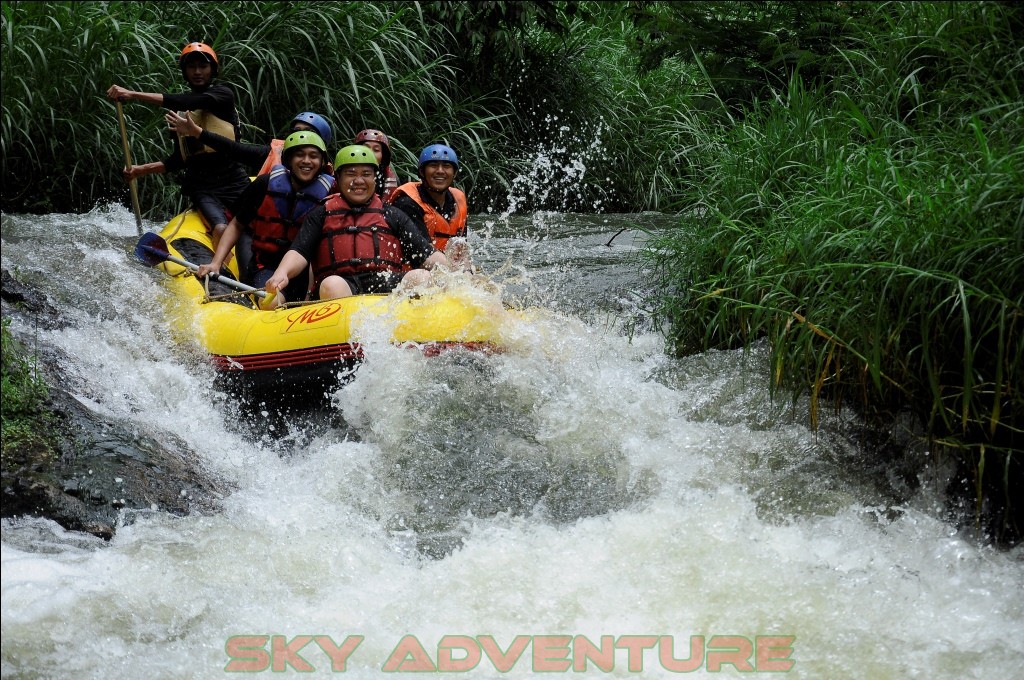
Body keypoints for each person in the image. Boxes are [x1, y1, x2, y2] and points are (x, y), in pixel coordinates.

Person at [106, 41, 249, 246]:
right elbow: (179, 160)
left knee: (256, 224)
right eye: (192, 67)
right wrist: (141, 170)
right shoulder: (180, 117)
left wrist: (133, 94)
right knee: (220, 227)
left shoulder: (222, 95)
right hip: (204, 188)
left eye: (203, 66)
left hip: (235, 181)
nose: (197, 71)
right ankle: (217, 272)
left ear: (213, 70)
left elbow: (187, 101)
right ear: (185, 71)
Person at [264, 145, 450, 301]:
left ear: (374, 179)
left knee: (421, 277)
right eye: (351, 174)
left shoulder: (393, 214)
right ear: (338, 178)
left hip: (385, 284)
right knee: (332, 284)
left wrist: (457, 274)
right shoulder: (321, 214)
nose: (359, 181)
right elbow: (299, 251)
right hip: (342, 286)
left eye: (366, 174)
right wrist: (282, 273)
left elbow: (427, 254)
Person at [195, 131, 334, 308]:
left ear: (322, 162)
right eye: (300, 155)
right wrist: (216, 263)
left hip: (308, 273)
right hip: (267, 267)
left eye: (313, 156)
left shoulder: (330, 193)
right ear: (289, 159)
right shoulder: (264, 184)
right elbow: (237, 224)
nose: (306, 161)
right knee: (272, 303)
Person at [167, 110, 334, 176]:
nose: (302, 137)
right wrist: (197, 132)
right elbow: (234, 149)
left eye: (308, 133)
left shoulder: (329, 178)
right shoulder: (271, 155)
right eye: (297, 131)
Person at [390, 143, 468, 255]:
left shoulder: (458, 201)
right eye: (433, 165)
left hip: (445, 266)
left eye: (446, 166)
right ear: (422, 172)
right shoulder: (407, 203)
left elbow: (463, 250)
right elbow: (423, 255)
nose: (440, 171)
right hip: (416, 269)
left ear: (454, 173)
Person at [353, 129, 399, 202]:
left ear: (382, 157)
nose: (370, 153)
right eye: (365, 148)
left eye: (376, 150)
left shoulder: (387, 177)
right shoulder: (344, 172)